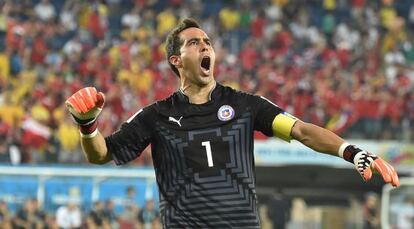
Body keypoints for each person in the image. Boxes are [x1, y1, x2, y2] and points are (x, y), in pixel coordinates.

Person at [65, 18, 400, 228]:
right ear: (176, 60)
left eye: (208, 42)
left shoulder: (245, 106)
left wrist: (351, 151)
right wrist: (87, 125)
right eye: (194, 43)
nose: (205, 46)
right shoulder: (155, 116)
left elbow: (300, 130)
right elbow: (101, 154)